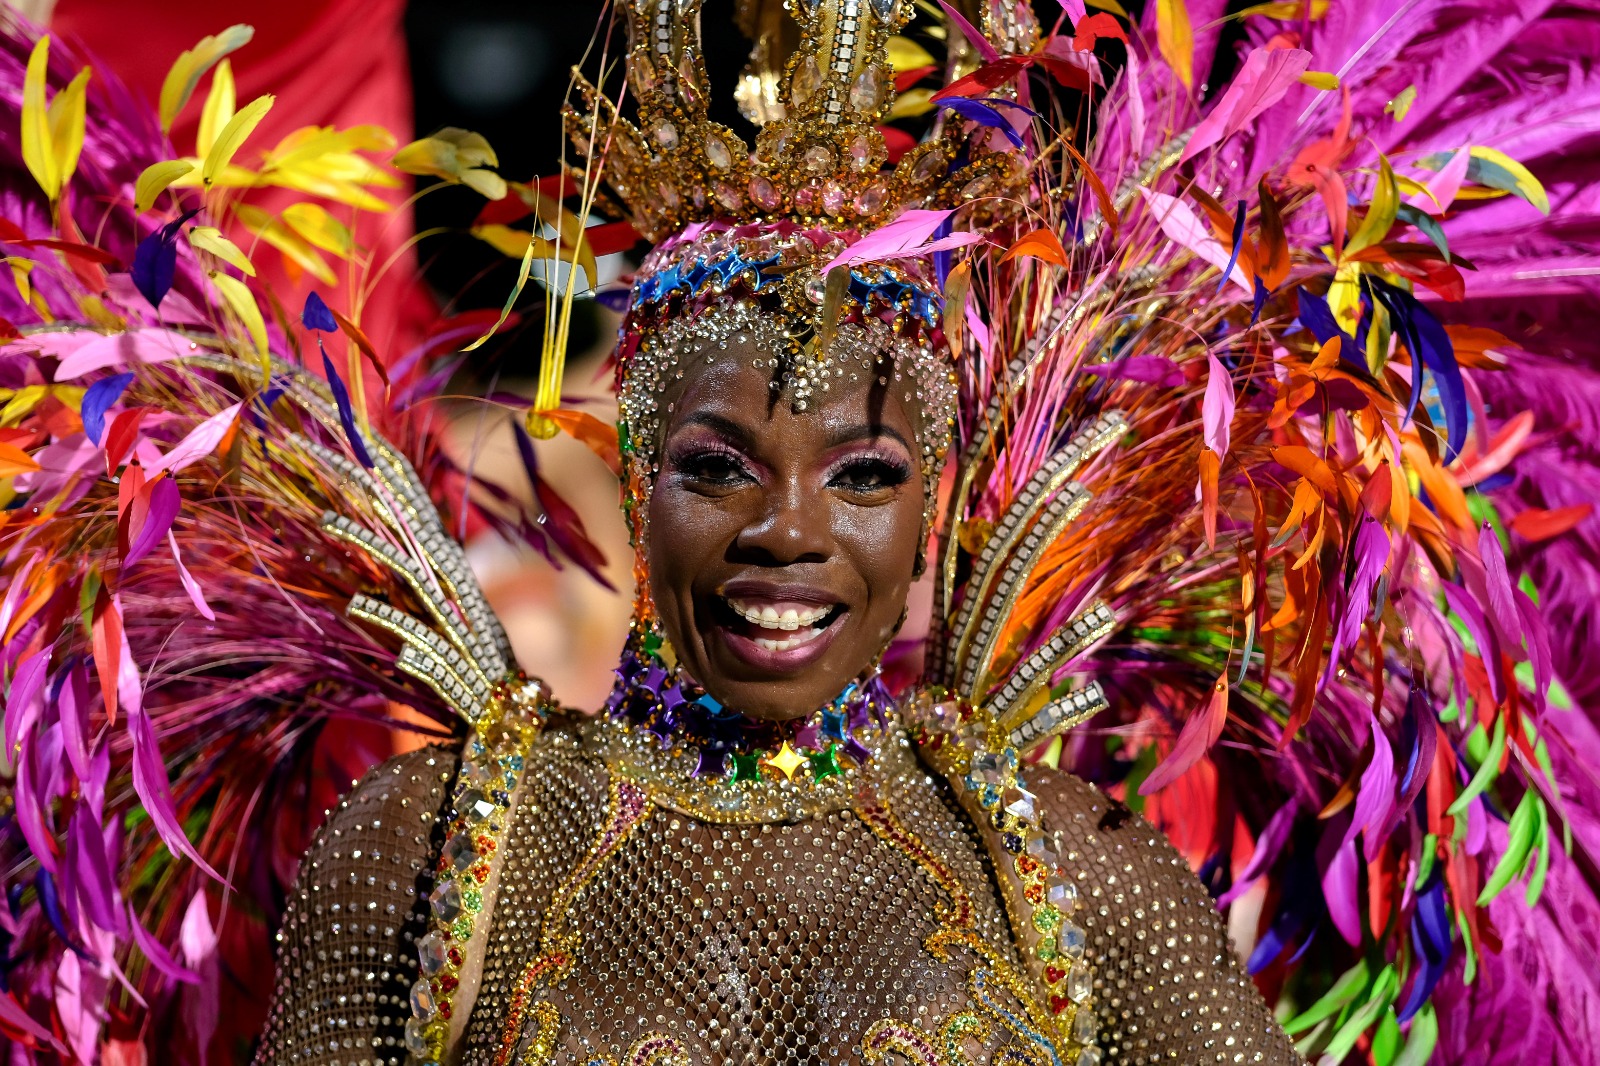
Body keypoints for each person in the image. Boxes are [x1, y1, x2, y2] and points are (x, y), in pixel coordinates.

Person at [2, 2, 1598, 1065]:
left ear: (937, 496)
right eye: (717, 465)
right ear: (630, 473)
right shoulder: (431, 857)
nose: (785, 531)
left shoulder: (1070, 869)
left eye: (861, 476)